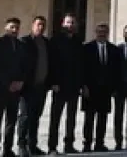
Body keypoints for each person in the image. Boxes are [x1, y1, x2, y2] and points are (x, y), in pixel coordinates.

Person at [0, 17, 31, 157]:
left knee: (11, 121)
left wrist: (21, 81)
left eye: (17, 28)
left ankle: (7, 149)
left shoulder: (21, 46)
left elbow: (26, 66)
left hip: (15, 91)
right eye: (12, 27)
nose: (14, 30)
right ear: (6, 28)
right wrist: (8, 84)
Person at [48, 13, 85, 155]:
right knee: (55, 118)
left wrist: (81, 84)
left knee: (71, 118)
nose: (70, 25)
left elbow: (81, 64)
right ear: (63, 24)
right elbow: (52, 63)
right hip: (59, 85)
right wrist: (53, 82)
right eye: (68, 22)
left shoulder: (77, 41)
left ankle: (69, 144)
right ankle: (52, 146)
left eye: (72, 23)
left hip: (74, 86)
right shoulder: (56, 40)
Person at [81, 23, 119, 152]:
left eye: (104, 32)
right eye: (99, 31)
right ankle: (87, 143)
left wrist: (114, 88)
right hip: (90, 89)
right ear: (95, 32)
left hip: (106, 90)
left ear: (107, 33)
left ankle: (99, 143)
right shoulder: (87, 48)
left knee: (103, 118)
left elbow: (115, 70)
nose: (101, 34)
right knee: (89, 118)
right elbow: (83, 69)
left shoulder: (114, 49)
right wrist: (84, 86)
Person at [19, 16, 51, 156]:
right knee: (25, 116)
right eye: (38, 24)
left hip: (41, 87)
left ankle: (33, 145)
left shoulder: (46, 43)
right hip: (28, 87)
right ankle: (22, 145)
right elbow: (20, 64)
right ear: (33, 25)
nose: (41, 27)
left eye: (43, 25)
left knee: (36, 117)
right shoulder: (25, 42)